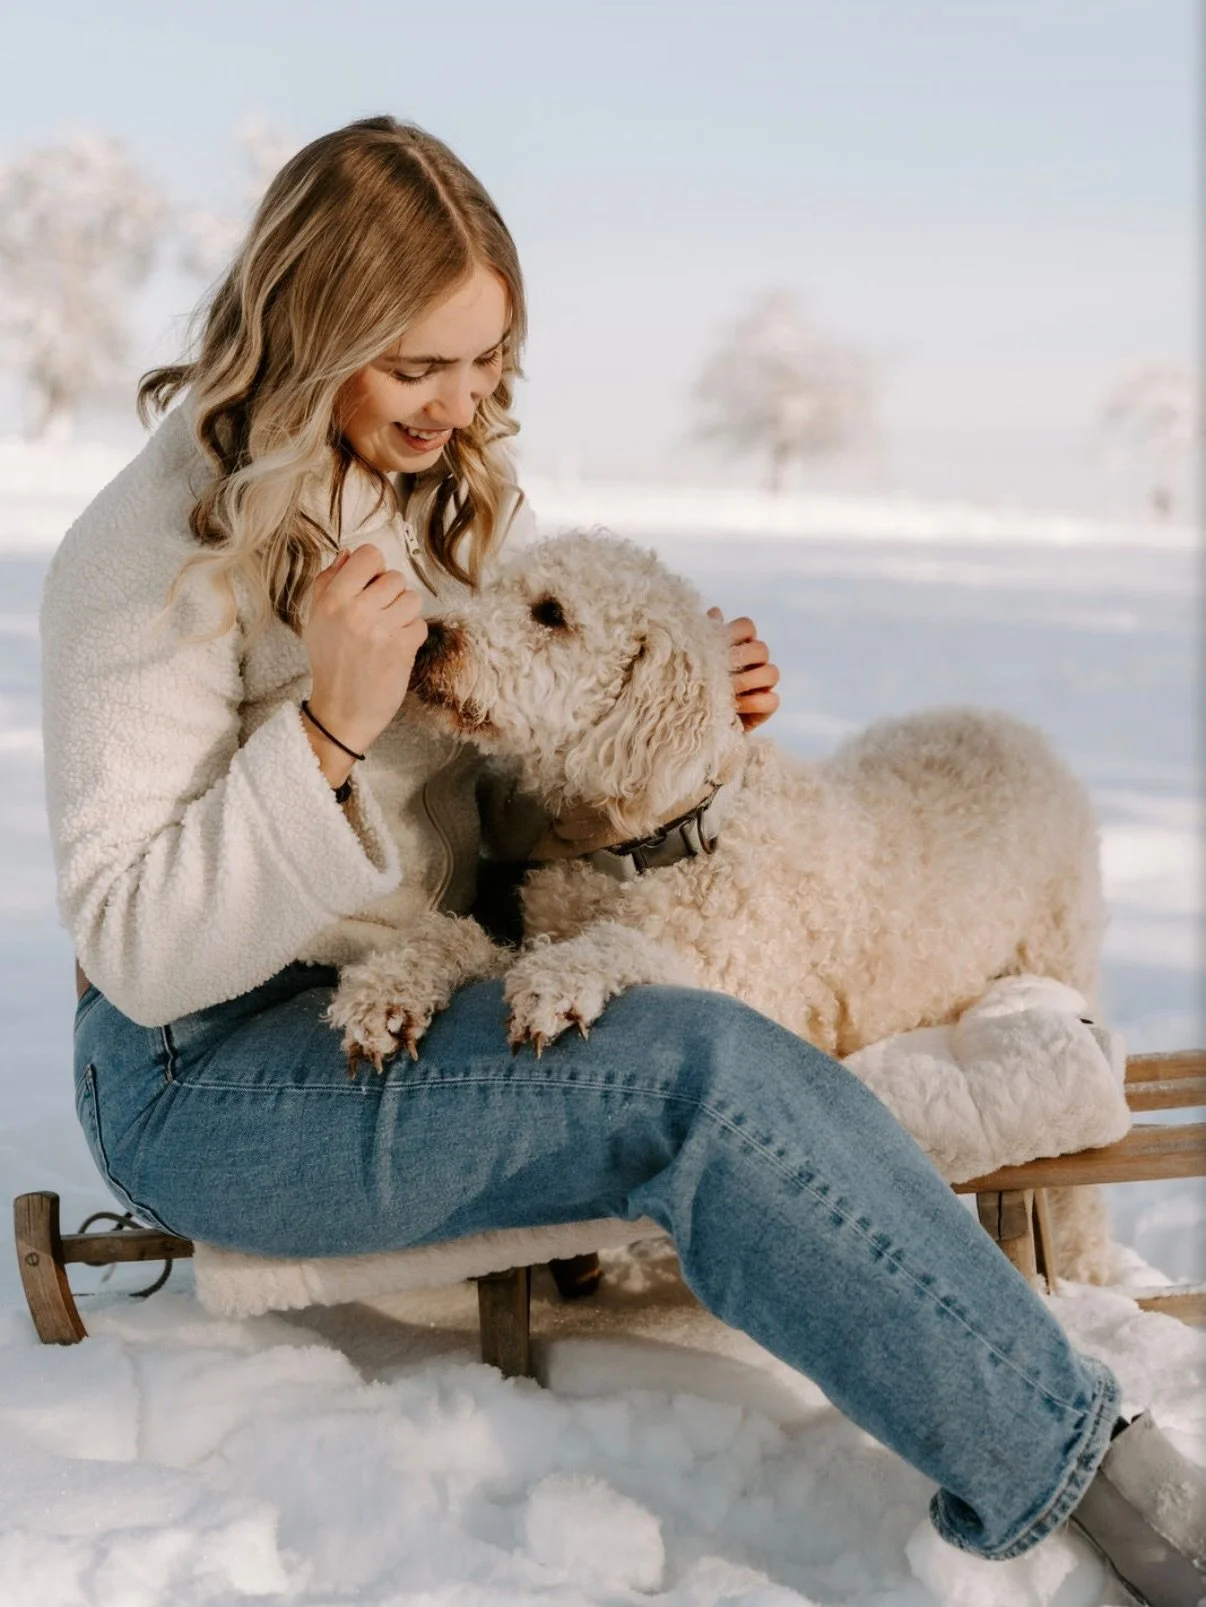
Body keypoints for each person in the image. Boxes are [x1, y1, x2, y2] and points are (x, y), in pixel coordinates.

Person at [40, 118, 1202, 1605]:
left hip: (429, 995)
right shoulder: (141, 557)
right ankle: (1095, 1482)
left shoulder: (449, 504)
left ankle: (1072, 1441)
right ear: (308, 328)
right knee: (693, 1074)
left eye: (486, 362)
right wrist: (321, 737)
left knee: (694, 1041)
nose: (461, 406)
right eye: (418, 366)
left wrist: (675, 743)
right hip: (204, 1070)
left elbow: (500, 818)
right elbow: (134, 947)